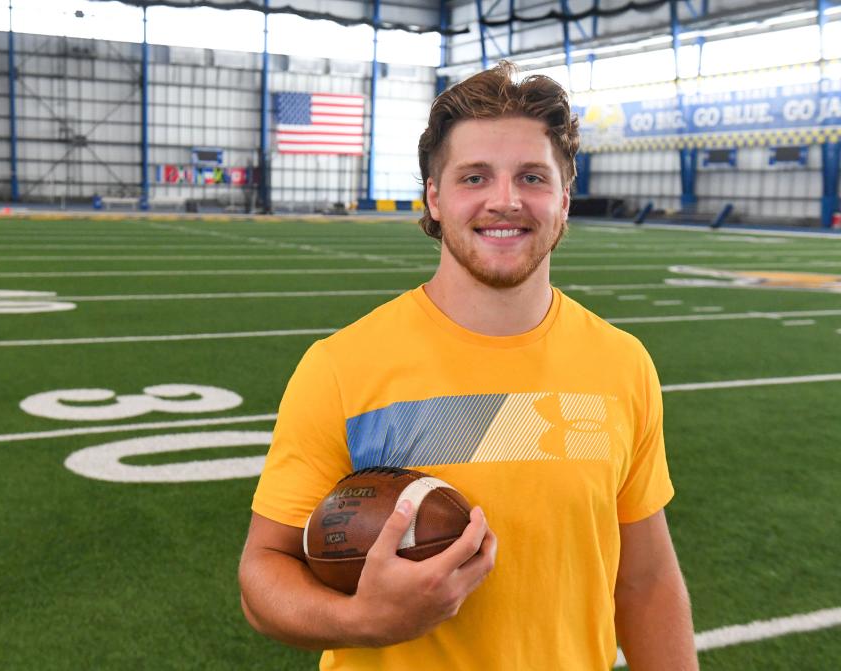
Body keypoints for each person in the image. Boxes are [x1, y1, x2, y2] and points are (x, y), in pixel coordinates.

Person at [238, 60, 698, 670]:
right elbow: (262, 574)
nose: (504, 200)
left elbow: (646, 582)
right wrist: (362, 622)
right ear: (434, 194)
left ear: (564, 196)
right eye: (474, 177)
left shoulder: (622, 364)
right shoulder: (341, 366)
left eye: (532, 177)